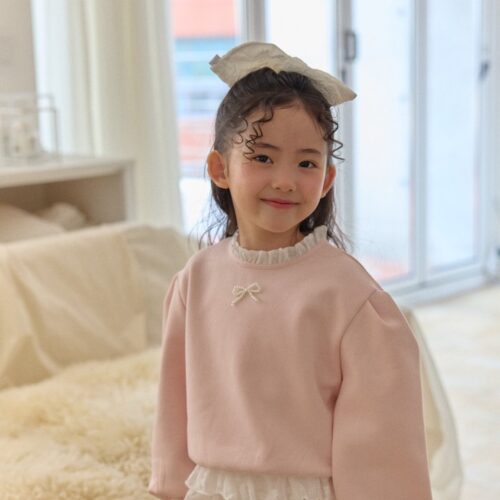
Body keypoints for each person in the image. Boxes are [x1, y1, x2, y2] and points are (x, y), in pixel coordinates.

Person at [148, 41, 433, 500]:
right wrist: (168, 488)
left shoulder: (350, 296)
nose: (285, 180)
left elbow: (382, 441)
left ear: (326, 180)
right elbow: (173, 407)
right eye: (262, 157)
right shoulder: (195, 280)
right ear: (220, 168)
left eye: (306, 163)